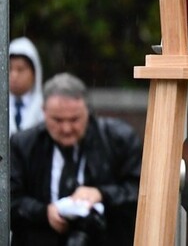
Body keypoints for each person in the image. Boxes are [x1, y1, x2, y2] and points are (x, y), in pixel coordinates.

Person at [10, 72, 142, 246]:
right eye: (57, 120)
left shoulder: (119, 140)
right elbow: (9, 198)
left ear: (88, 111)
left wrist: (102, 194)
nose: (66, 128)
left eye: (74, 119)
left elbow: (140, 191)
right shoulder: (23, 144)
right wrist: (44, 213)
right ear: (44, 112)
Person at [9, 36, 45, 134]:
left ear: (35, 73)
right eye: (9, 69)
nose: (14, 75)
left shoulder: (46, 107)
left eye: (20, 69)